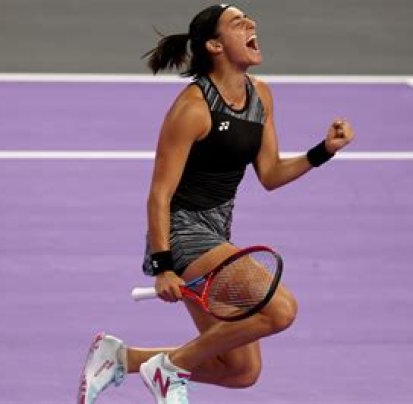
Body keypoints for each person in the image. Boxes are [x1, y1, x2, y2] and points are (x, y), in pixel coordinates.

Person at [77, 4, 354, 403]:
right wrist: (163, 266)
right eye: (237, 23)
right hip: (181, 233)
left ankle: (120, 358)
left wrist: (323, 151)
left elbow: (271, 174)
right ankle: (169, 369)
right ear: (214, 45)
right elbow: (159, 193)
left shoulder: (261, 95)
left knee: (241, 371)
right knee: (281, 309)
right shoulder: (193, 108)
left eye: (249, 20)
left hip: (217, 232)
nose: (251, 24)